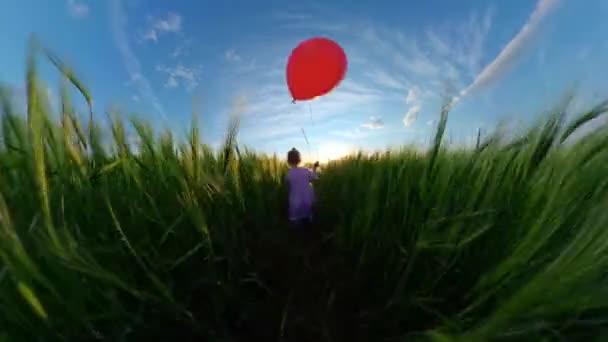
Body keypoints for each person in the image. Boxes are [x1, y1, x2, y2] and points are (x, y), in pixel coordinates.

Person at [285, 148, 319, 228]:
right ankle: (310, 232)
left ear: (288, 161)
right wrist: (314, 167)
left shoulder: (288, 174)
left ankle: (298, 235)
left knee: (296, 220)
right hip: (307, 200)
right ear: (300, 159)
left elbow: (287, 187)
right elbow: (314, 178)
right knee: (308, 218)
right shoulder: (305, 170)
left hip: (295, 201)